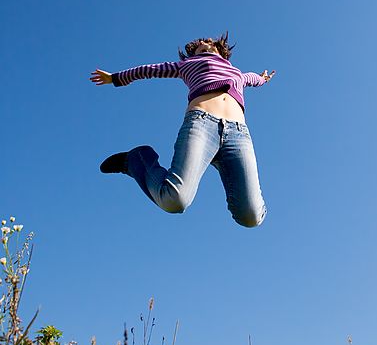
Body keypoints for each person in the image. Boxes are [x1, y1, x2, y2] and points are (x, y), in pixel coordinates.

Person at [90, 32, 275, 228]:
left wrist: (263, 78)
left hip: (238, 136)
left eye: (209, 43)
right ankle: (138, 159)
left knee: (251, 216)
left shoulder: (237, 72)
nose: (204, 43)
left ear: (221, 51)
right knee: (175, 200)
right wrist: (116, 78)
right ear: (193, 55)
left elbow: (252, 78)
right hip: (202, 126)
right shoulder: (187, 65)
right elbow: (149, 70)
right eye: (199, 46)